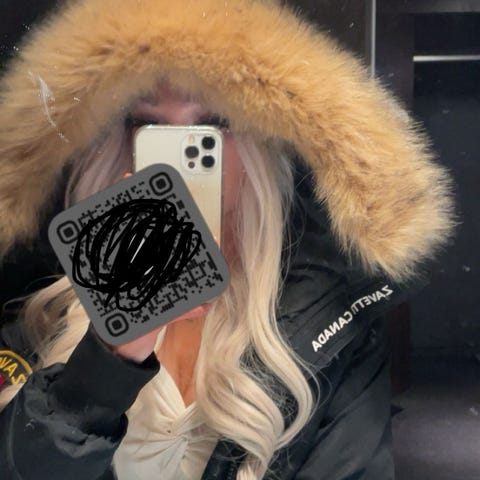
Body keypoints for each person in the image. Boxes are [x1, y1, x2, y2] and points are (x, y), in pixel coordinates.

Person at [0, 1, 455, 479]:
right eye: (148, 124)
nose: (177, 157)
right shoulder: (42, 307)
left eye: (214, 124)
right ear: (120, 143)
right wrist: (109, 359)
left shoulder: (334, 322)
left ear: (262, 141)